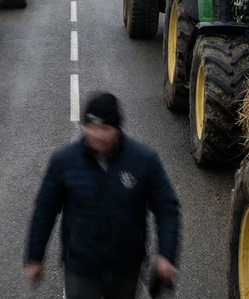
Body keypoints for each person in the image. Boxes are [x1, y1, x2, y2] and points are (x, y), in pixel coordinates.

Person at [24, 93, 181, 299]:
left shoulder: (144, 161)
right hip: (80, 267)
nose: (96, 134)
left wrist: (166, 254)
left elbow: (167, 207)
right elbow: (45, 209)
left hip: (125, 268)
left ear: (117, 129)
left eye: (104, 129)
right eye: (90, 126)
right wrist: (35, 256)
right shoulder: (64, 161)